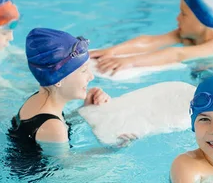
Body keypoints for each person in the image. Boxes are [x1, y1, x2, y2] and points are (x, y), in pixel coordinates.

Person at [8, 28, 135, 156]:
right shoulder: (54, 128)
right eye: (84, 71)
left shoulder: (38, 100)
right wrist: (112, 148)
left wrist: (85, 110)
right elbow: (65, 169)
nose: (91, 76)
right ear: (58, 78)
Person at [90, 0, 213, 82]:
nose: (177, 18)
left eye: (184, 14)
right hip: (203, 76)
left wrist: (130, 61)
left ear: (201, 19)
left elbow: (177, 54)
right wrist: (112, 51)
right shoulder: (189, 35)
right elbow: (150, 42)